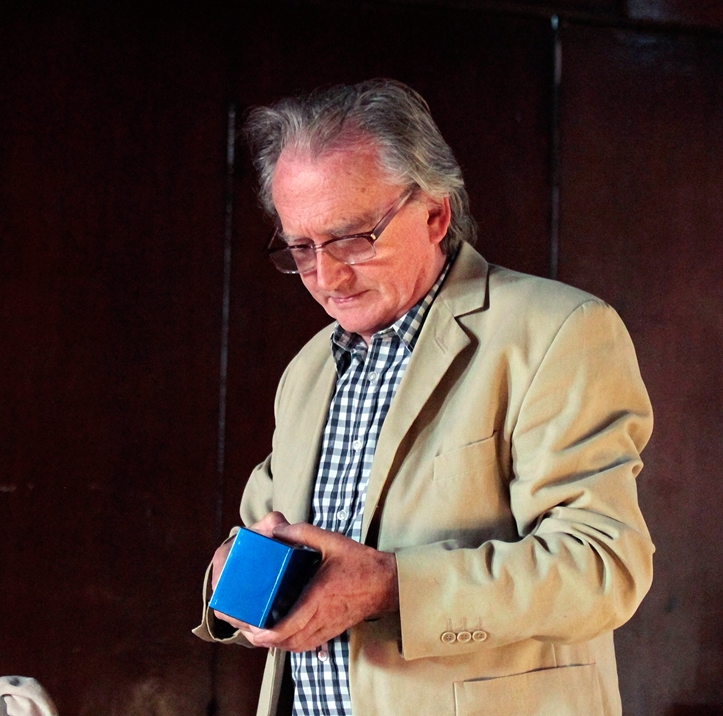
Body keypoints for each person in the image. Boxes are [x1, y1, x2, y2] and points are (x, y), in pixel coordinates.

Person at [194, 79, 654, 716]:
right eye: (301, 247)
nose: (326, 276)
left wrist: (391, 588)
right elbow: (264, 531)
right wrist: (234, 571)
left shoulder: (558, 331)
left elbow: (602, 567)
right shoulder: (308, 369)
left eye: (352, 238)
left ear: (435, 214)